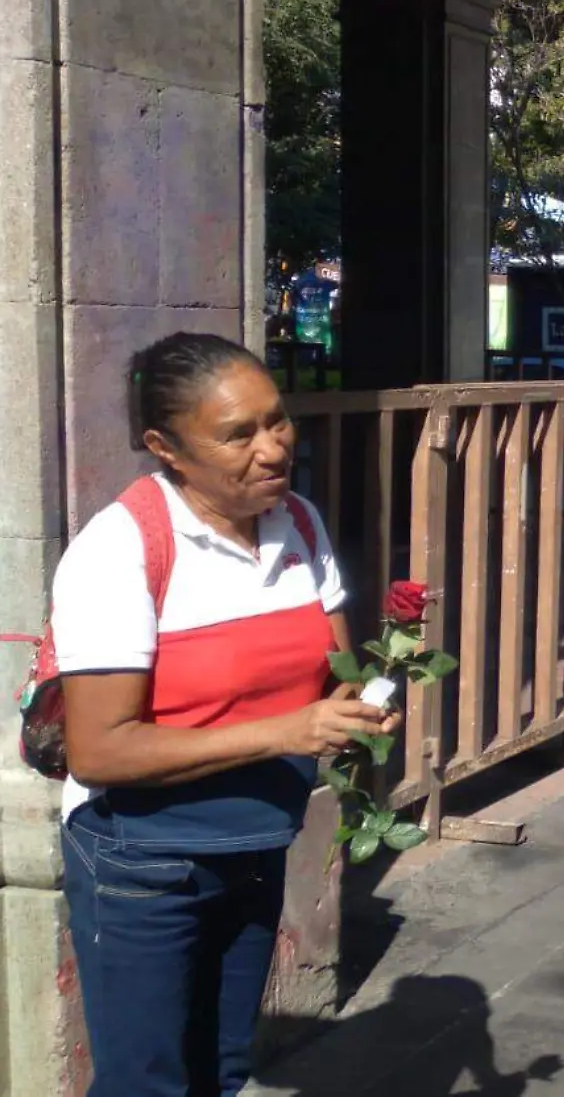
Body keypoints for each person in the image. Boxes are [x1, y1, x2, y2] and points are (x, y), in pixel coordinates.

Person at [54, 332, 399, 1097]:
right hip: (142, 862)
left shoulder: (300, 526)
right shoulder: (119, 551)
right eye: (239, 434)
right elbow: (100, 752)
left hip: (255, 846)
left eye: (277, 422)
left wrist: (360, 712)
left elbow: (334, 678)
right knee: (147, 1084)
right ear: (164, 447)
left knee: (222, 1069)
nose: (273, 448)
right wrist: (287, 732)